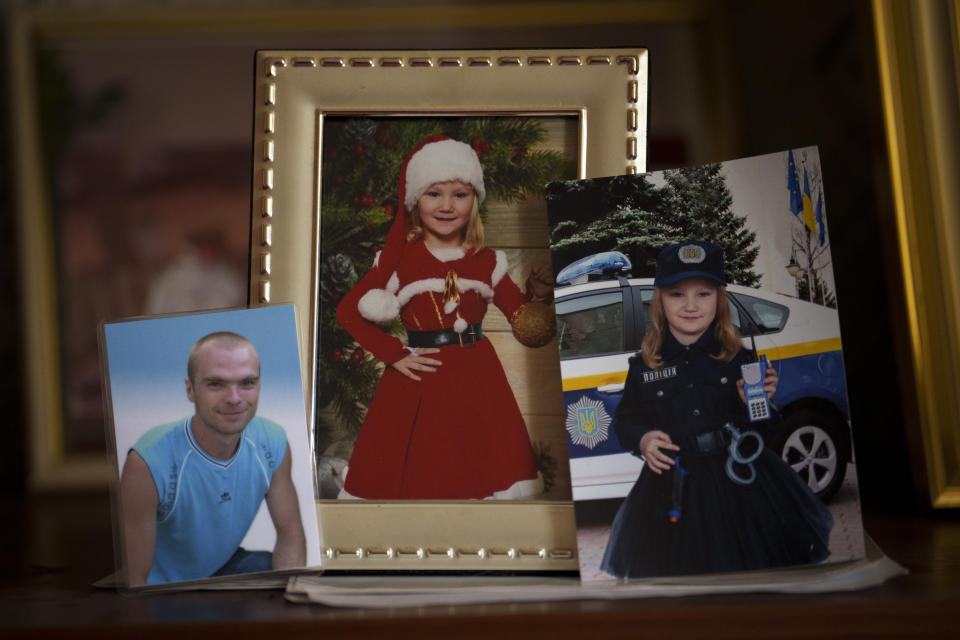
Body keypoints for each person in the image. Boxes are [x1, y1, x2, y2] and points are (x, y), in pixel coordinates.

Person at [335, 135, 555, 499]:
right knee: (419, 472)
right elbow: (348, 312)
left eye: (460, 194)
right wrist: (393, 353)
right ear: (415, 201)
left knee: (480, 472)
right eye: (433, 193)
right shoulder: (398, 262)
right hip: (419, 381)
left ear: (475, 201)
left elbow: (521, 318)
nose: (447, 205)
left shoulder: (488, 262)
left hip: (479, 382)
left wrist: (540, 294)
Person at [600, 240, 833, 578]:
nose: (690, 305)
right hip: (672, 490)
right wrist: (643, 439)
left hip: (741, 486)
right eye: (677, 294)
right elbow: (625, 420)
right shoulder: (644, 366)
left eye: (704, 294)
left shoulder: (740, 358)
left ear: (719, 299)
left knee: (751, 579)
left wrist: (756, 405)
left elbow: (765, 434)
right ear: (660, 301)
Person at [120, 332, 306, 586]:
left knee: (275, 571)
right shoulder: (148, 462)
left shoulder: (272, 442)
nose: (234, 398)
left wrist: (290, 608)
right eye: (216, 384)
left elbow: (290, 531)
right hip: (164, 589)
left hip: (222, 568)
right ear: (190, 390)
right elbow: (135, 579)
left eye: (247, 382)